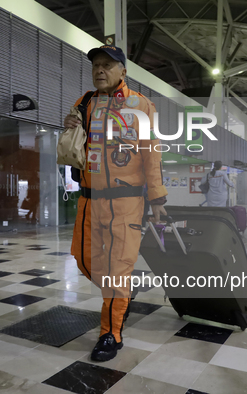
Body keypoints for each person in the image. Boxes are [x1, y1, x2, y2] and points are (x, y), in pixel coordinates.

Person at [63, 45, 168, 362]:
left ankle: (111, 333)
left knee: (117, 270)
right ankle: (121, 292)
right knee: (83, 259)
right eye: (96, 65)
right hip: (89, 202)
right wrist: (70, 126)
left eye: (107, 65)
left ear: (123, 71)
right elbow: (76, 144)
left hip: (126, 203)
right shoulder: (84, 102)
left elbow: (152, 154)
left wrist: (158, 197)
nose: (99, 70)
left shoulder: (141, 106)